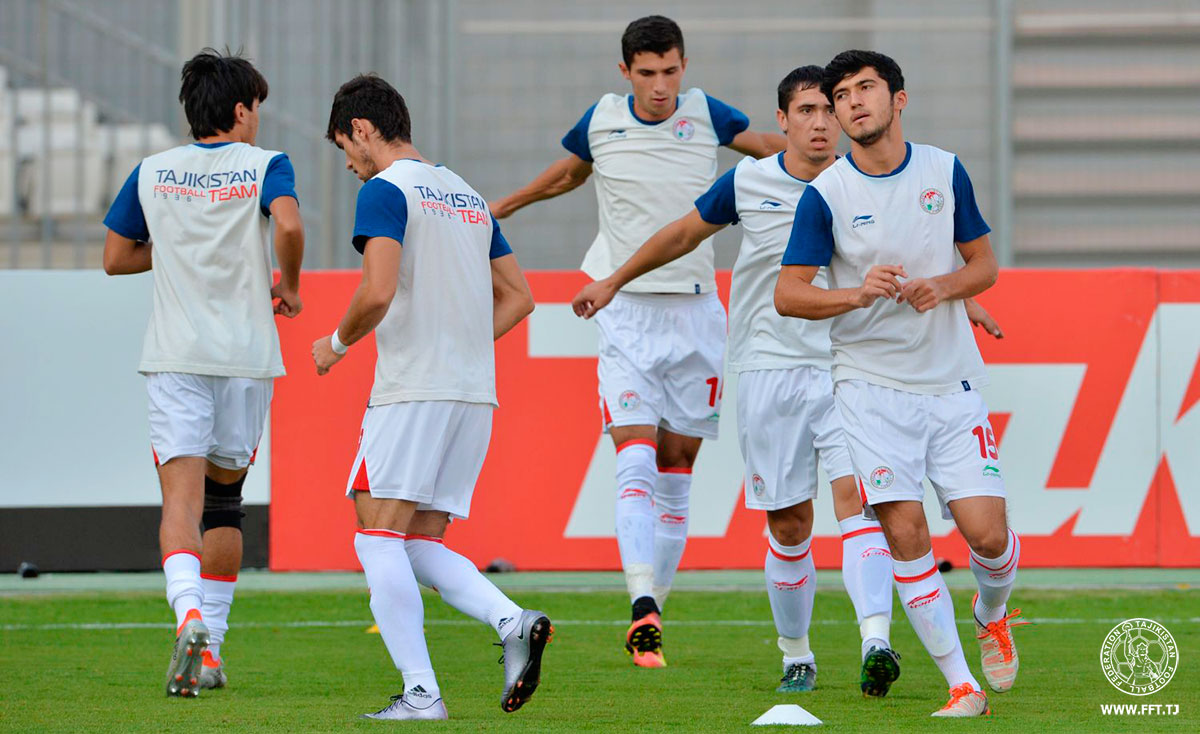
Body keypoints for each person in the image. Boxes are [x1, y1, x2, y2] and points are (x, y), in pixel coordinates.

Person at [491, 14, 785, 668]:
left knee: (678, 468)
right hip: (620, 305)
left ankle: (656, 609)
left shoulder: (707, 115)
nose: (660, 85)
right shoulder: (600, 119)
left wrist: (825, 161)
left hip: (696, 312)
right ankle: (639, 600)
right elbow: (571, 173)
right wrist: (509, 204)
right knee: (634, 453)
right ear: (624, 71)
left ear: (685, 66)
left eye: (670, 71)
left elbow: (764, 145)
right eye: (647, 73)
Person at [775, 50, 1024, 718]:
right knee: (905, 531)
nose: (852, 103)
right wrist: (857, 295)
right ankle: (960, 684)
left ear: (898, 99)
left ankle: (991, 611)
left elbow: (985, 264)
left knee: (989, 537)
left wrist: (943, 288)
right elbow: (788, 294)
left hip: (950, 380)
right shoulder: (826, 195)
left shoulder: (944, 170)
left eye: (865, 89)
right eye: (841, 95)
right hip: (868, 387)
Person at [312, 74, 548, 721]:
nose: (351, 166)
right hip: (474, 393)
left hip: (413, 389)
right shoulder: (469, 196)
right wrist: (461, 341)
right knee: (418, 541)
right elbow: (520, 298)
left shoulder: (385, 192)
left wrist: (334, 342)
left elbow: (378, 290)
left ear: (361, 130)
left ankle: (422, 693)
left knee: (376, 535)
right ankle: (510, 621)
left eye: (346, 149)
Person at [102, 49, 304, 697]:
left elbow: (116, 258)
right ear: (242, 111)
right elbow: (291, 224)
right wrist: (290, 284)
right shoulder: (266, 165)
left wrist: (179, 245)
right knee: (225, 505)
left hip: (176, 356)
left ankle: (187, 615)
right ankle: (210, 649)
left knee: (181, 506)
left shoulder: (152, 171)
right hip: (245, 357)